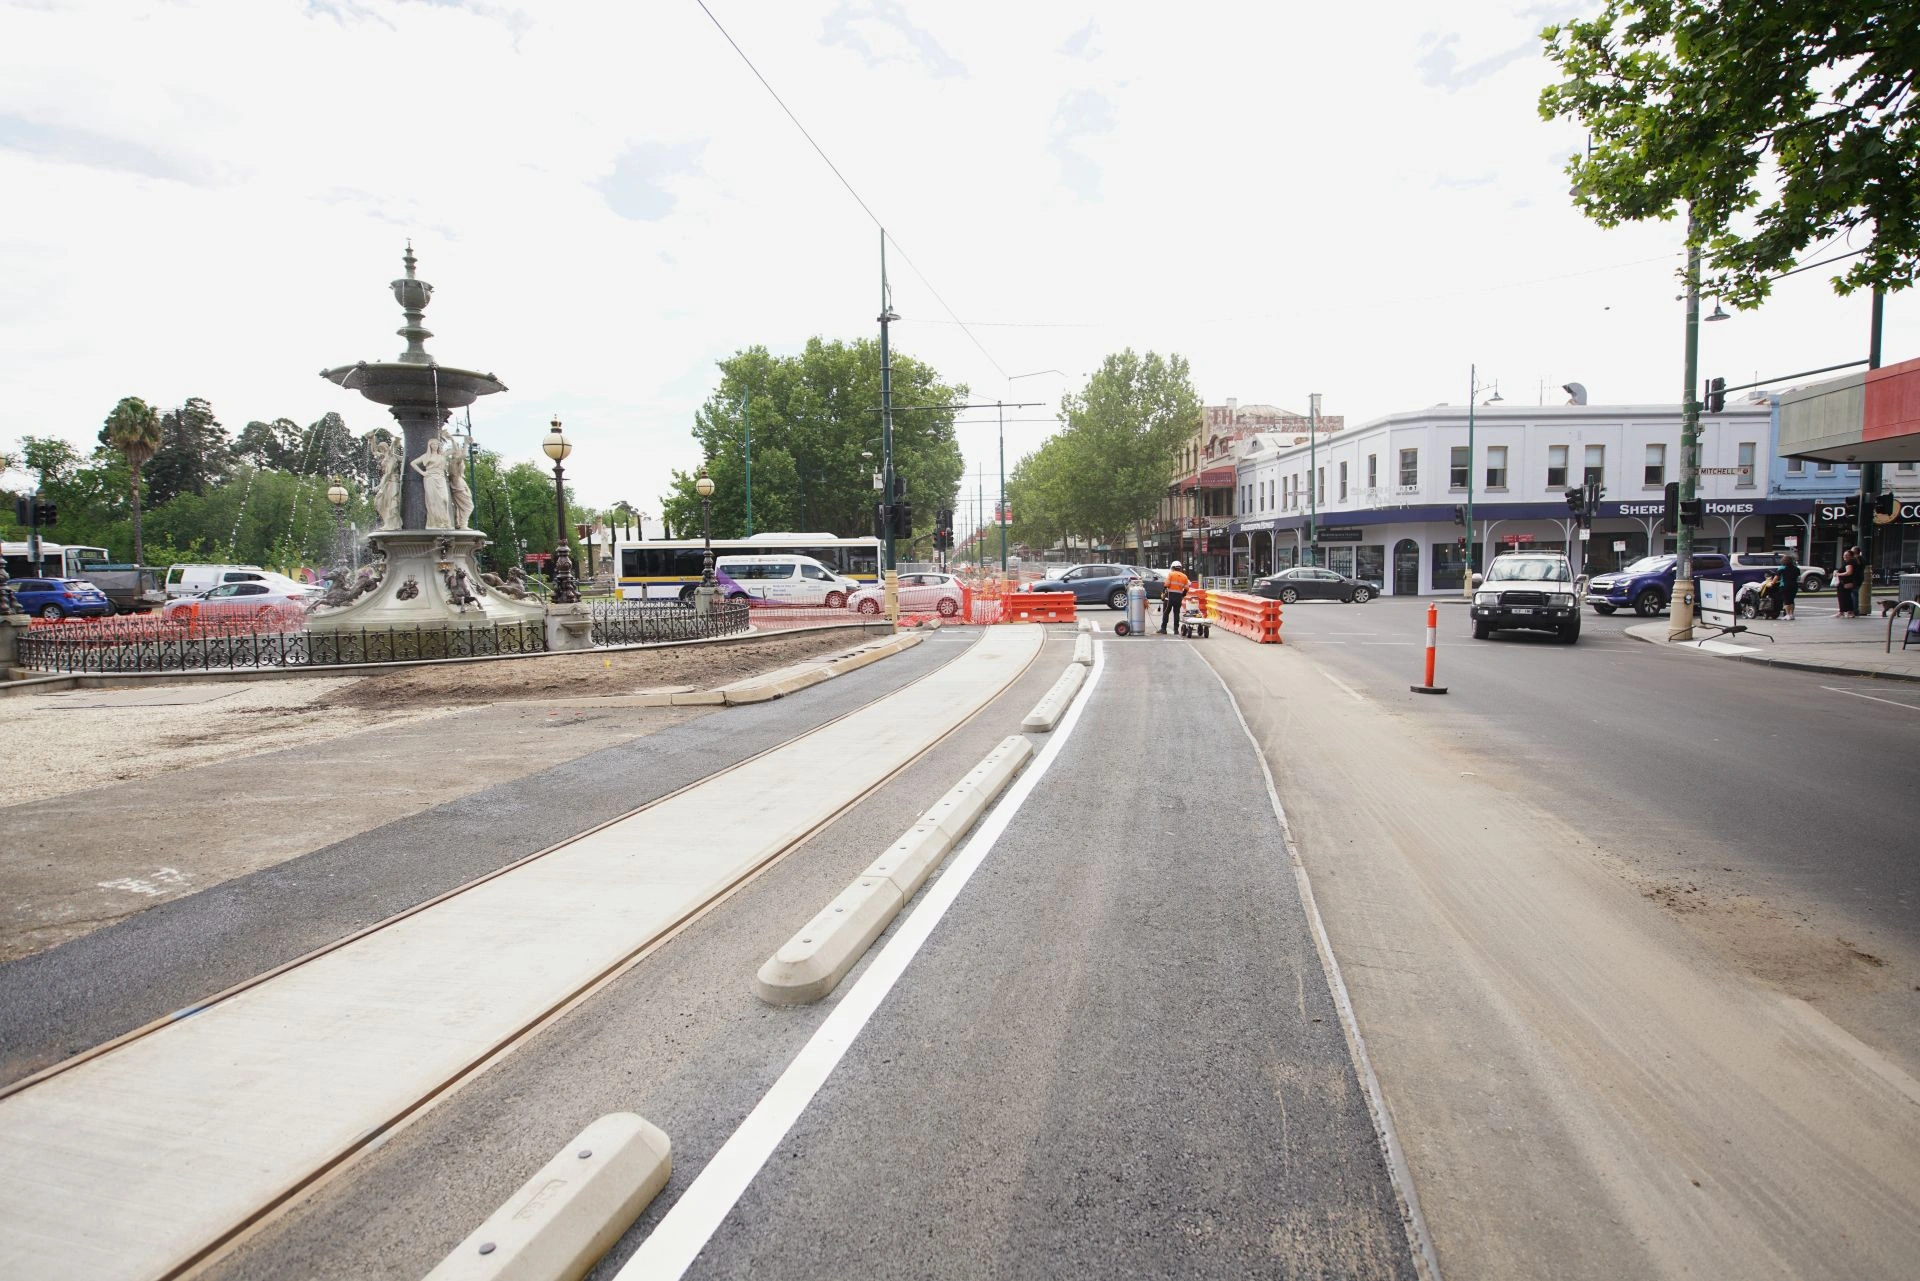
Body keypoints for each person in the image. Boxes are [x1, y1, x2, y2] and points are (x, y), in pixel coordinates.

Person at [1159, 560, 1191, 634]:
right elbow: (1186, 588)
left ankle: (1163, 629)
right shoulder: (1184, 576)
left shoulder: (1171, 574)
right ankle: (1176, 630)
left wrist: (1163, 593)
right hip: (1178, 597)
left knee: (1166, 612)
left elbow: (1166, 585)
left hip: (1170, 596)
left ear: (1173, 567)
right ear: (1180, 568)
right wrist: (1182, 595)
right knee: (1176, 613)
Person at [1778, 552, 1799, 620]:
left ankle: (1787, 615)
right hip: (1794, 585)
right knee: (1791, 600)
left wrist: (1772, 583)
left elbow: (1777, 577)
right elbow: (1797, 576)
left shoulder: (1782, 568)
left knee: (1786, 600)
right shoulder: (1796, 569)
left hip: (1785, 585)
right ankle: (1791, 614)